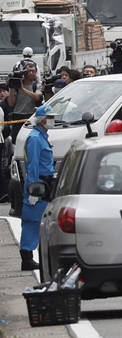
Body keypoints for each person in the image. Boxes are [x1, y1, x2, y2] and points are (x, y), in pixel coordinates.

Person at [19, 105, 56, 270]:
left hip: (45, 184)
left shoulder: (42, 136)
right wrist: (33, 189)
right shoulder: (35, 138)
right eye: (50, 117)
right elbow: (32, 165)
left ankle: (37, 254)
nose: (53, 120)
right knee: (32, 220)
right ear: (42, 120)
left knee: (43, 220)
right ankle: (26, 257)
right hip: (38, 185)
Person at [7, 62, 42, 144]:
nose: (31, 73)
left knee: (31, 140)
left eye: (33, 71)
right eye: (28, 71)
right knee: (16, 141)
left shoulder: (36, 84)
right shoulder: (17, 84)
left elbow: (38, 97)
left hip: (31, 115)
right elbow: (11, 103)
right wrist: (11, 87)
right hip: (17, 116)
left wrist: (22, 89)